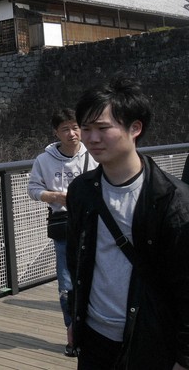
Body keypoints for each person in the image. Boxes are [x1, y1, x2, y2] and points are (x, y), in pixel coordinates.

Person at [67, 77, 189, 369]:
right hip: (94, 335)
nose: (91, 138)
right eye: (86, 128)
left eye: (103, 128)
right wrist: (75, 317)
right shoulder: (81, 190)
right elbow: (77, 259)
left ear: (135, 128)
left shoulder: (172, 201)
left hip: (151, 337)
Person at [28, 108, 96, 357]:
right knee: (67, 282)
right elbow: (33, 188)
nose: (72, 133)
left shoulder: (94, 154)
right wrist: (55, 196)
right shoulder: (43, 160)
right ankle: (71, 331)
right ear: (56, 132)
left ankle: (92, 331)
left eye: (76, 127)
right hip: (63, 225)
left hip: (92, 224)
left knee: (95, 277)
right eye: (65, 128)